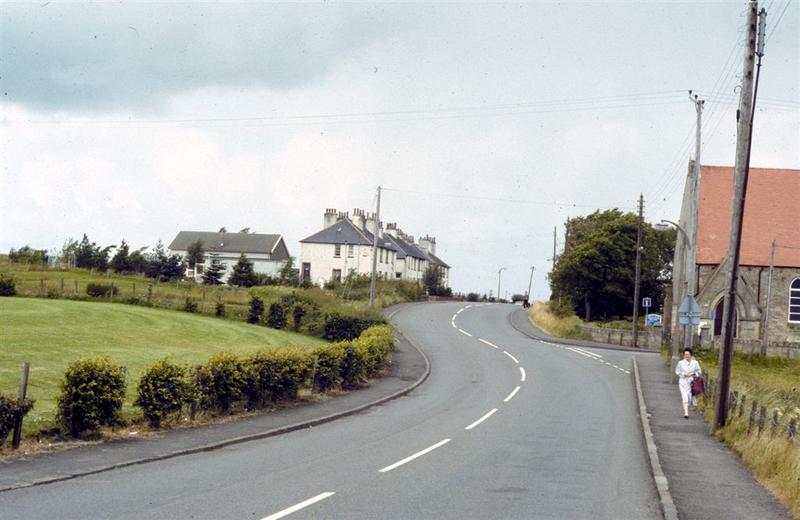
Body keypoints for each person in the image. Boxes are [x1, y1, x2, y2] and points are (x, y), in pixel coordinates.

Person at [675, 347, 702, 418]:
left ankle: (688, 407)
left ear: (691, 355)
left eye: (688, 354)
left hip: (691, 382)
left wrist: (693, 373)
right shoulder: (680, 363)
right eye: (685, 354)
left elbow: (699, 372)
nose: (686, 356)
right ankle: (686, 413)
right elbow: (677, 372)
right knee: (684, 397)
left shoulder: (695, 363)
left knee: (689, 397)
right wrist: (684, 374)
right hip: (683, 382)